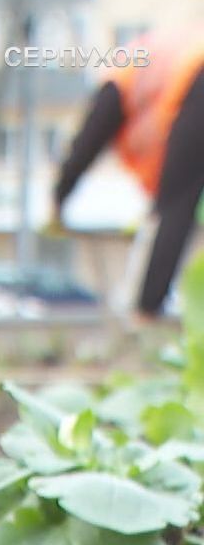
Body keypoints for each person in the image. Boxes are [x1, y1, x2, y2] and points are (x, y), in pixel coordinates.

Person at [52, 26, 204, 325]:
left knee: (176, 205)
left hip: (198, 78)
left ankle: (146, 310)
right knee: (175, 202)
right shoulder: (151, 85)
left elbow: (87, 143)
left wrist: (58, 196)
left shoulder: (116, 81)